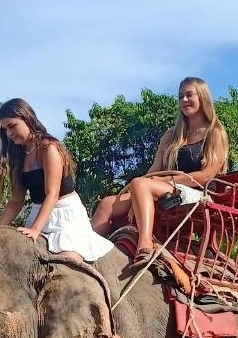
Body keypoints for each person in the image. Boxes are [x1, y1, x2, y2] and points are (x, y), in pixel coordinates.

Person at [91, 77, 230, 271]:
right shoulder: (172, 135)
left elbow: (206, 176)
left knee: (140, 184)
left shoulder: (215, 133)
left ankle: (145, 245)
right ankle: (86, 254)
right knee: (107, 203)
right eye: (180, 96)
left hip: (198, 192)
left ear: (203, 97)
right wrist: (135, 196)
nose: (184, 100)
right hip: (168, 189)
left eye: (189, 95)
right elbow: (154, 171)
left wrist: (156, 182)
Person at [0, 98, 115, 262]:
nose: (8, 133)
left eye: (12, 126)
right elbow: (16, 200)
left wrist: (35, 230)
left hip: (65, 216)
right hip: (39, 213)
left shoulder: (48, 148)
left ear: (27, 119)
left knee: (68, 261)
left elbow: (52, 194)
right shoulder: (18, 157)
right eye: (5, 129)